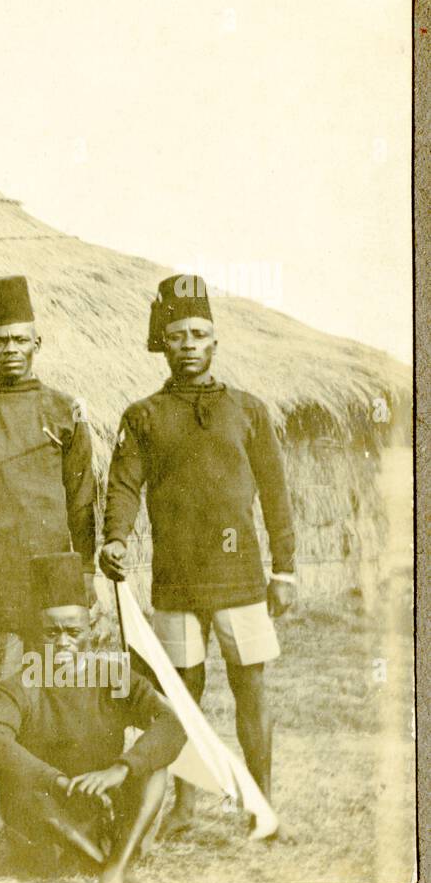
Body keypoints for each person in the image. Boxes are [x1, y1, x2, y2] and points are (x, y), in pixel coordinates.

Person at [98, 275, 296, 839]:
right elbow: (124, 486)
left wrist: (284, 568)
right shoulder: (143, 416)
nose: (188, 344)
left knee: (250, 688)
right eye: (178, 335)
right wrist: (114, 537)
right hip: (176, 580)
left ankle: (262, 805)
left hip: (241, 579)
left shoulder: (249, 412)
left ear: (215, 341)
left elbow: (277, 495)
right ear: (162, 342)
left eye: (199, 334)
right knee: (180, 696)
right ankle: (184, 807)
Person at [0, 553, 186, 883]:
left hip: (105, 811)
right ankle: (105, 864)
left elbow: (171, 724)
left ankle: (114, 866)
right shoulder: (19, 684)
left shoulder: (113, 677)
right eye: (51, 633)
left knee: (152, 767)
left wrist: (121, 769)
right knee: (17, 777)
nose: (63, 643)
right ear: (35, 633)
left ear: (92, 631)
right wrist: (56, 780)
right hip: (49, 824)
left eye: (73, 631)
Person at [0, 275, 97, 685]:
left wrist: (86, 573)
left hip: (55, 573)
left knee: (56, 684)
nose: (11, 349)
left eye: (20, 339)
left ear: (36, 343)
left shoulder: (64, 410)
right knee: (6, 686)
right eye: (1, 340)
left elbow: (82, 500)